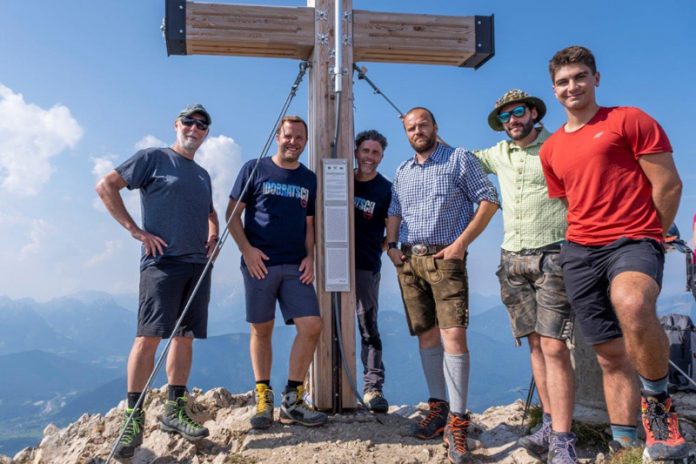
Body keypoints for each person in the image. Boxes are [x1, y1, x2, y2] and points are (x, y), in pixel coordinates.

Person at [540, 45, 686, 462]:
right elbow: (573, 202)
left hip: (635, 240)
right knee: (608, 354)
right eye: (564, 81)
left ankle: (658, 406)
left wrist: (650, 235)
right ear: (554, 90)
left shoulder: (628, 120)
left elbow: (669, 184)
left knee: (633, 301)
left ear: (596, 79)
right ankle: (624, 443)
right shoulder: (551, 150)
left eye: (580, 76)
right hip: (580, 251)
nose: (573, 86)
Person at [95, 104, 218, 459]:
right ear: (177, 125)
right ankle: (133, 418)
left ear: (206, 133)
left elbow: (210, 212)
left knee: (185, 337)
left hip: (197, 264)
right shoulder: (153, 158)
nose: (195, 128)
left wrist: (212, 236)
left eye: (202, 125)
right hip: (161, 263)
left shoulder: (202, 174)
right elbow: (106, 185)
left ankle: (173, 411)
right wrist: (135, 230)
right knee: (147, 337)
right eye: (189, 122)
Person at [386, 107, 499, 464]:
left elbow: (489, 200)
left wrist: (462, 244)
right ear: (406, 134)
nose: (417, 131)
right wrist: (390, 246)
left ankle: (458, 421)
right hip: (409, 260)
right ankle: (438, 408)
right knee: (427, 336)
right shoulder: (403, 170)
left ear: (436, 126)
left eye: (422, 125)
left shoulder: (459, 159)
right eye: (411, 128)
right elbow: (395, 210)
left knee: (454, 336)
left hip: (445, 258)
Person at [475, 89, 576, 462]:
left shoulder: (560, 144)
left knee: (553, 346)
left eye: (518, 112)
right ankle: (549, 423)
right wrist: (425, 132)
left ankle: (564, 439)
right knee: (535, 345)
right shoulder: (497, 154)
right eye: (505, 117)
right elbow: (459, 159)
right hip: (512, 259)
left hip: (554, 254)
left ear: (533, 112)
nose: (512, 121)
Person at [227, 115, 327, 430]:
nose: (293, 142)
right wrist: (246, 250)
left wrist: (311, 257)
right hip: (259, 263)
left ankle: (293, 399)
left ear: (305, 142)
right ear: (278, 137)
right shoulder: (254, 168)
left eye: (299, 138)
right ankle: (262, 397)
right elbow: (232, 213)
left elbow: (309, 224)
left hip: (296, 264)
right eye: (288, 136)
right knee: (262, 329)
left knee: (312, 326)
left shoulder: (309, 179)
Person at [353, 129, 392, 413]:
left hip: (366, 266)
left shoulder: (385, 189)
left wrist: (375, 250)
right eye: (365, 151)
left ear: (381, 156)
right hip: (328, 265)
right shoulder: (338, 179)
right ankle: (312, 384)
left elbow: (390, 234)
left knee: (368, 328)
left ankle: (372, 387)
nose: (369, 157)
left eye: (375, 152)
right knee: (320, 323)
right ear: (356, 151)